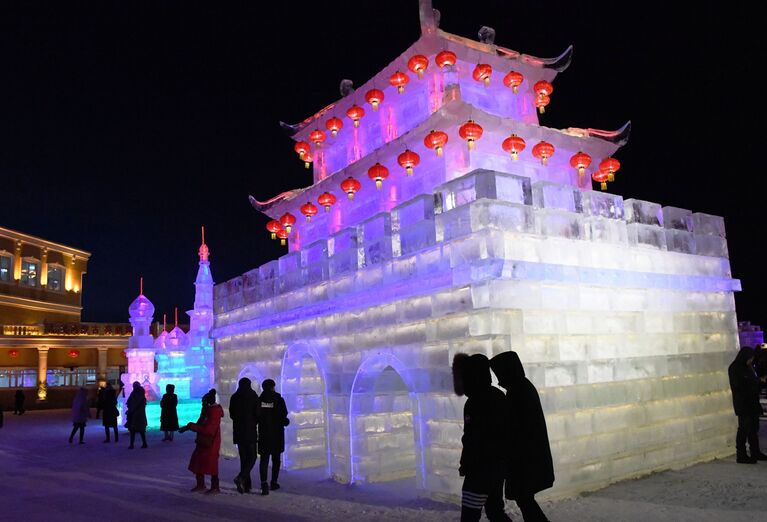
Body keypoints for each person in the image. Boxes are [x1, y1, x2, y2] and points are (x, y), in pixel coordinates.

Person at [490, 351, 554, 522]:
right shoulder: (522, 387)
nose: (499, 381)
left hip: (524, 461)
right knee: (525, 500)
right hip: (528, 460)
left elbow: (515, 429)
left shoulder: (517, 392)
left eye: (500, 374)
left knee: (525, 500)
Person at [453, 353, 511, 522]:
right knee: (495, 511)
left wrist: (466, 463)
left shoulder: (474, 402)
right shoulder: (498, 396)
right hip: (498, 466)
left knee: (470, 515)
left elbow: (472, 437)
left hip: (480, 468)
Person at [728, 346, 766, 463]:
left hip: (752, 403)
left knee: (753, 429)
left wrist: (759, 381)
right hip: (743, 404)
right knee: (743, 429)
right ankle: (741, 455)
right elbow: (739, 386)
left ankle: (755, 452)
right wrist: (756, 381)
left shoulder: (748, 367)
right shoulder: (735, 368)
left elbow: (752, 382)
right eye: (750, 358)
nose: (751, 361)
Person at [186, 390, 224, 494]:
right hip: (203, 441)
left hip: (211, 443)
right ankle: (200, 484)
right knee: (198, 462)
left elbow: (208, 430)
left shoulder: (214, 413)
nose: (202, 404)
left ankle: (215, 486)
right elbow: (201, 424)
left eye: (203, 402)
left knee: (212, 465)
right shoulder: (207, 411)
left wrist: (192, 426)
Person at [257, 379, 289, 495]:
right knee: (276, 460)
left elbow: (257, 416)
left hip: (264, 434)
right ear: (272, 387)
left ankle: (264, 483)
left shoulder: (259, 400)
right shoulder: (278, 399)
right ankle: (274, 482)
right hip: (276, 434)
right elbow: (284, 414)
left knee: (264, 460)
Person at [229, 377, 260, 494]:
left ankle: (247, 485)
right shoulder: (253, 396)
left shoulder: (234, 397)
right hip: (250, 431)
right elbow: (258, 413)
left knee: (244, 458)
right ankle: (241, 478)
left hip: (238, 431)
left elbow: (232, 414)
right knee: (252, 457)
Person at [125, 381, 148, 449]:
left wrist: (130, 410)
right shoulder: (139, 393)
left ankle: (132, 444)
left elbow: (134, 403)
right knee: (140, 430)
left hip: (136, 414)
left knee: (134, 430)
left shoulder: (136, 393)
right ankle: (143, 443)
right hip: (139, 414)